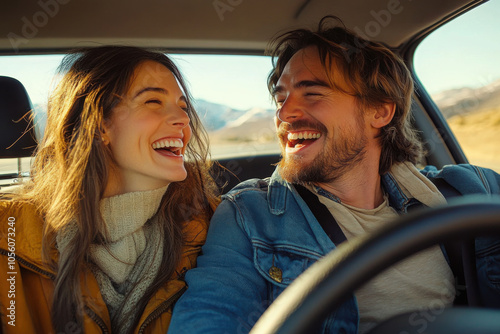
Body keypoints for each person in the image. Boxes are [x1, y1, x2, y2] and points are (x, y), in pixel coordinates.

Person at [168, 16, 500, 334]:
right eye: (280, 98)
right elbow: (211, 315)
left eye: (311, 93)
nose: (284, 113)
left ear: (379, 111)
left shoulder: (470, 189)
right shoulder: (251, 214)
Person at [0, 46, 219, 333]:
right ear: (99, 125)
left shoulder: (214, 225)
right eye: (153, 101)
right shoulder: (9, 231)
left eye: (182, 105)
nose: (183, 119)